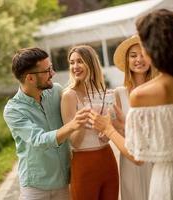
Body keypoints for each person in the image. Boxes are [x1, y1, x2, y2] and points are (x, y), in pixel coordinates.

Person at [89, 9, 173, 200]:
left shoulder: (143, 95)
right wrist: (126, 126)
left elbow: (137, 157)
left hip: (169, 182)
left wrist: (108, 128)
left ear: (152, 50)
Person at [3, 47, 89, 200]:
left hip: (64, 182)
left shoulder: (56, 91)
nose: (53, 73)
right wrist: (72, 125)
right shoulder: (13, 110)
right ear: (30, 78)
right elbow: (38, 139)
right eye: (47, 70)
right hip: (35, 188)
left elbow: (77, 96)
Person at [61, 45, 119, 200]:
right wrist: (82, 121)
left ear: (91, 63)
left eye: (80, 61)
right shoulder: (69, 95)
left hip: (107, 158)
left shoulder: (102, 92)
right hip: (84, 163)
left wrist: (107, 128)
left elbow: (105, 136)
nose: (75, 67)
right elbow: (75, 143)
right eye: (72, 63)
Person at [113, 35, 156, 200]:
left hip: (156, 156)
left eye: (143, 54)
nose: (139, 59)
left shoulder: (159, 89)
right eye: (133, 55)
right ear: (127, 61)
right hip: (130, 158)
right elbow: (118, 129)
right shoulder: (119, 93)